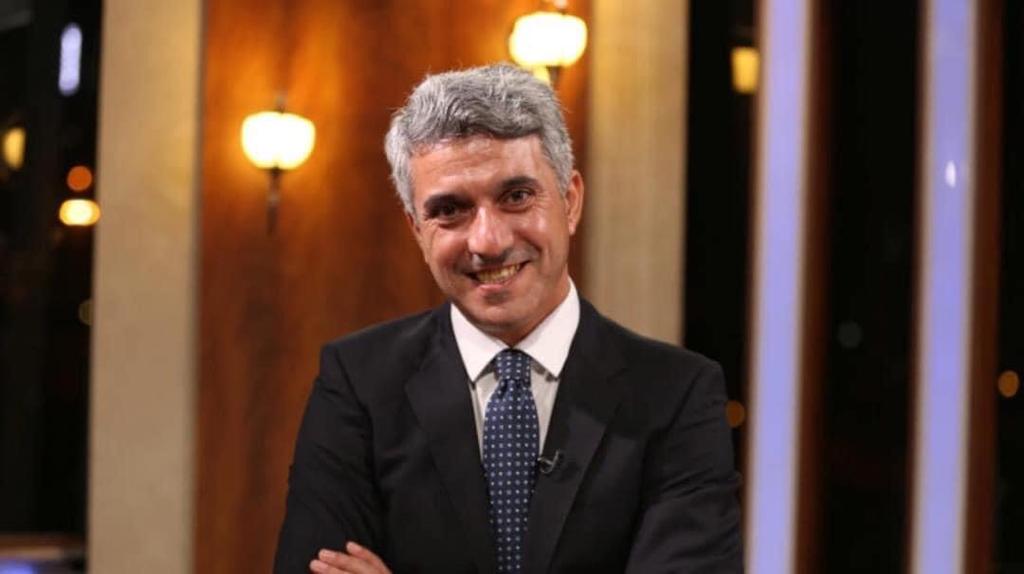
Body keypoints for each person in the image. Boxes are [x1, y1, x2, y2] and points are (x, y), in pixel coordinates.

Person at [273, 63, 742, 574]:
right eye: (450, 210)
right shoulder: (359, 383)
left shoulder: (677, 395)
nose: (488, 241)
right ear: (417, 230)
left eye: (516, 197)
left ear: (570, 202)